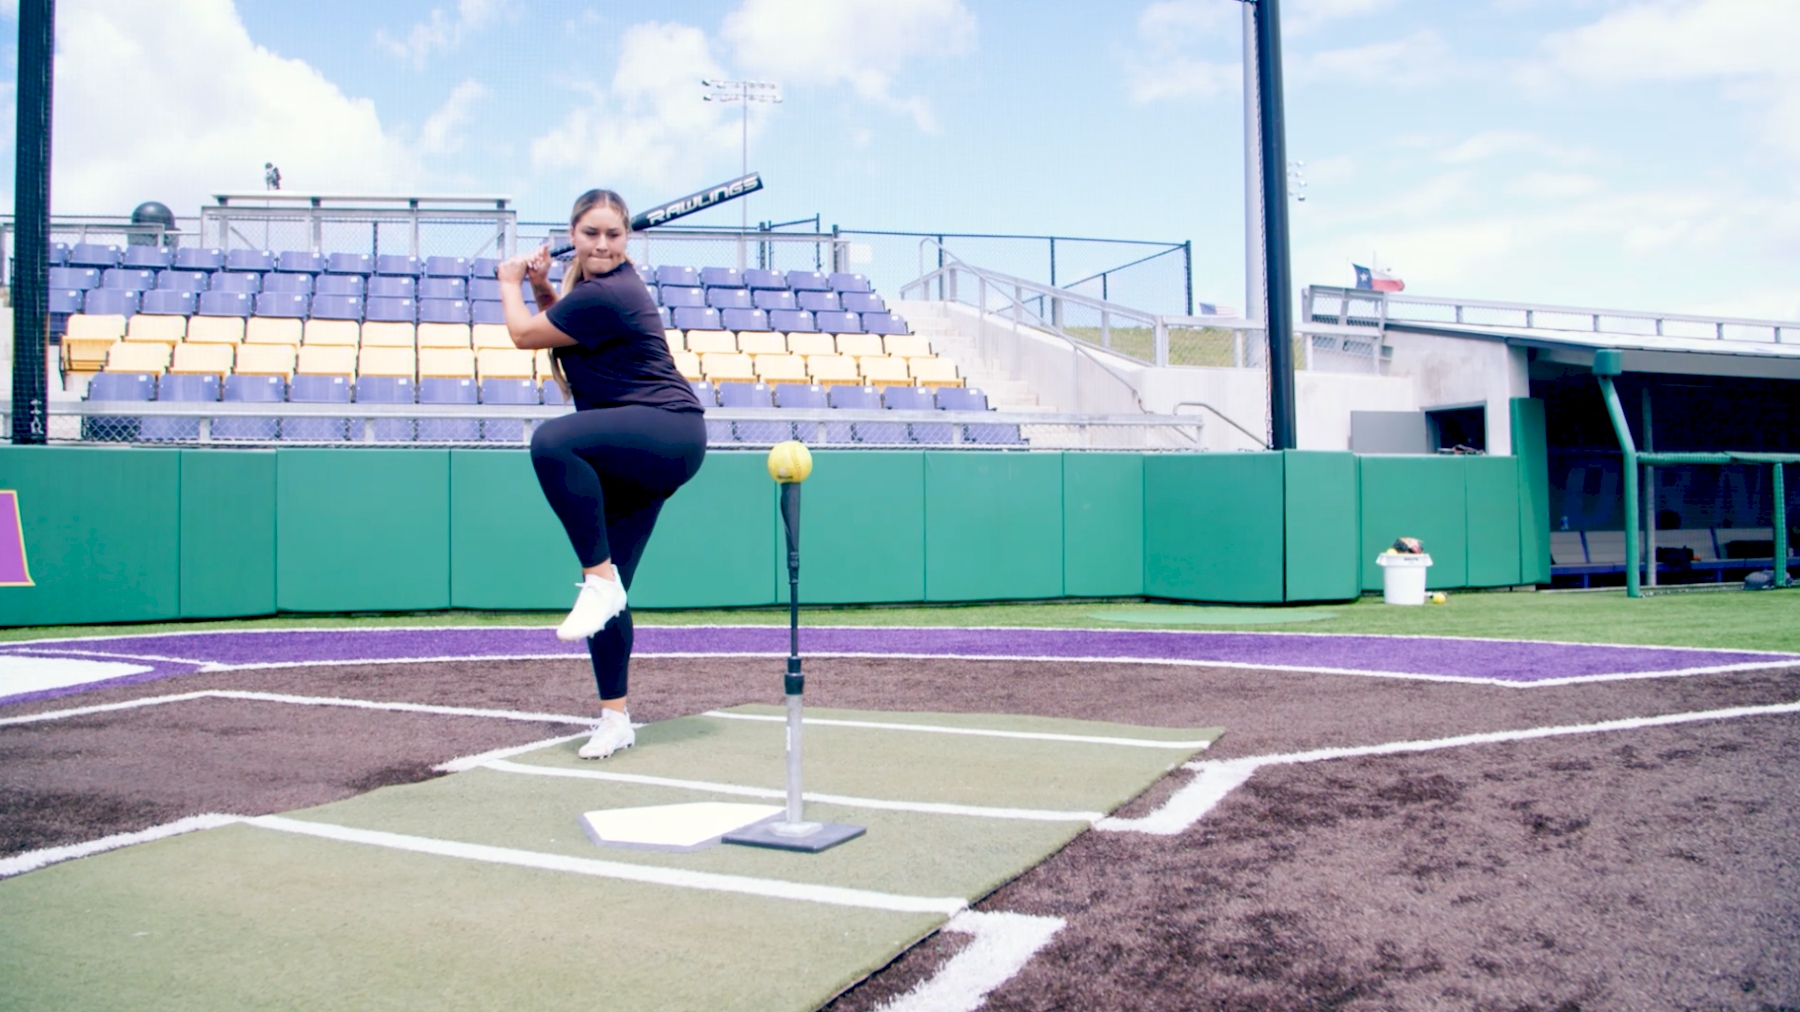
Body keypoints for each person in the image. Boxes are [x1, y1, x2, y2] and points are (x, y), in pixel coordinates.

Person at [496, 189, 707, 759]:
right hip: (641, 448)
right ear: (574, 234)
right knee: (612, 597)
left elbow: (524, 334)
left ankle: (598, 581)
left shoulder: (612, 291)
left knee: (551, 442)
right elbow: (565, 332)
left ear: (626, 239)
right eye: (591, 233)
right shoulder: (590, 297)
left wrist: (509, 281)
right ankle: (615, 718)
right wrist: (543, 287)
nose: (603, 244)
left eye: (613, 234)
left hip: (666, 431)